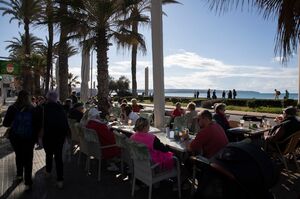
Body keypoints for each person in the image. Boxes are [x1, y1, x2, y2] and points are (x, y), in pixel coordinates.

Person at [3, 90, 41, 191]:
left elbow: (6, 123)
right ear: (28, 98)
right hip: (29, 138)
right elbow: (37, 125)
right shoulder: (33, 109)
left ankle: (19, 175)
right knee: (28, 158)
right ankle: (28, 180)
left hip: (15, 137)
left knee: (19, 155)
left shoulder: (12, 108)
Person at [42, 91, 69, 189]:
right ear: (56, 98)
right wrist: (67, 135)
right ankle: (60, 180)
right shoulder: (60, 108)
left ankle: (48, 172)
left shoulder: (43, 108)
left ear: (48, 98)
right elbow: (65, 123)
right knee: (58, 158)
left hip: (47, 136)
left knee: (48, 155)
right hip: (59, 137)